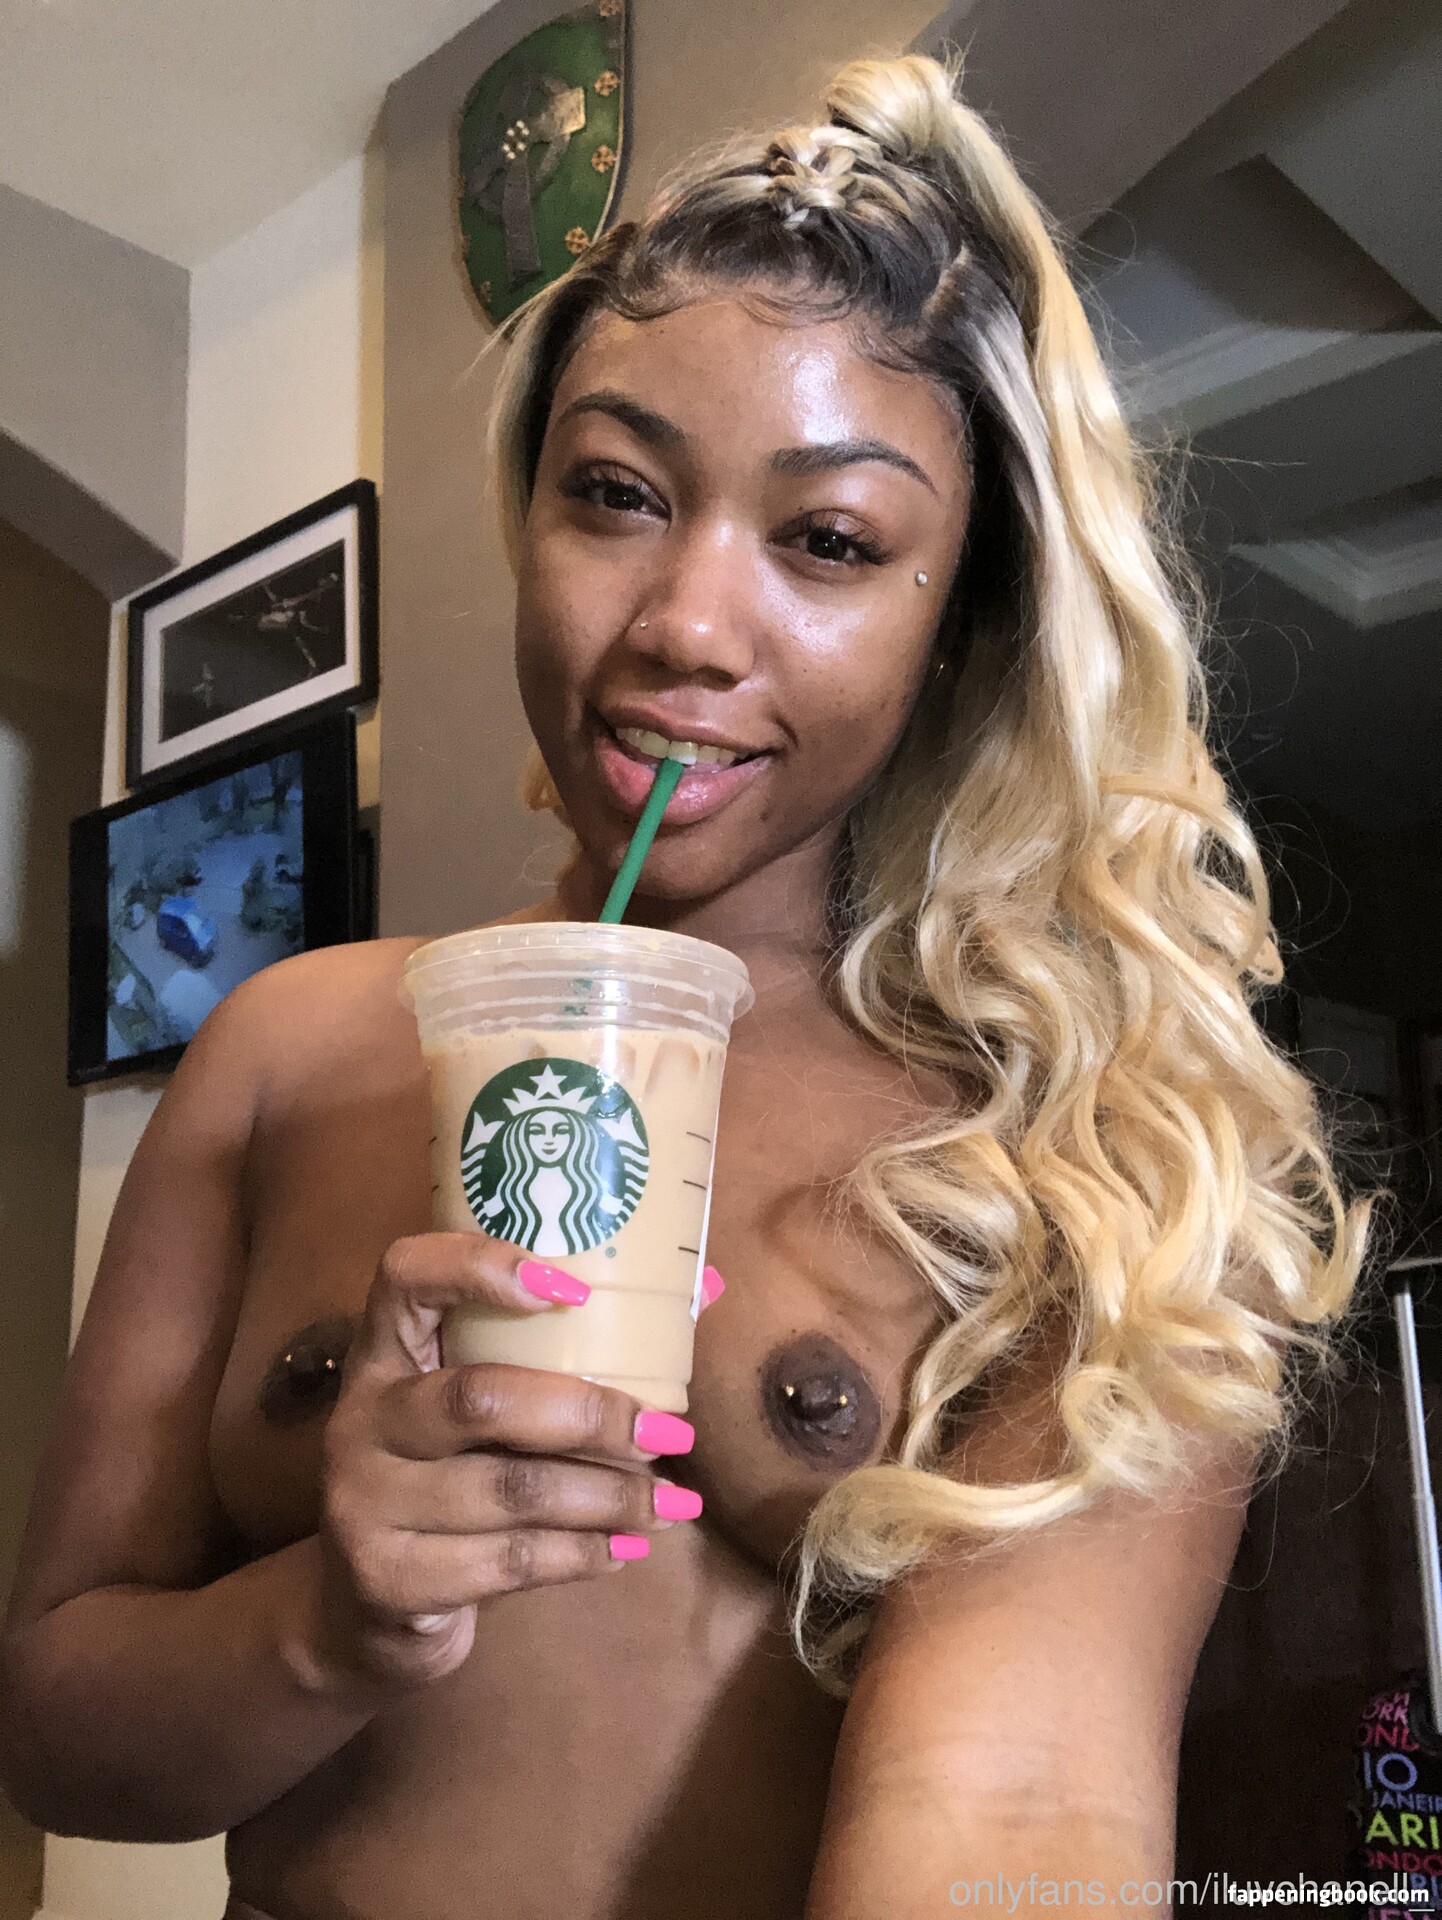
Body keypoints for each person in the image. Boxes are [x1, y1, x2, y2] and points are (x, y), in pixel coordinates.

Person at [0, 51, 1365, 1919]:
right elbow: (58, 1721)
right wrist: (327, 1622)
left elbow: (1021, 1806)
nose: (684, 627)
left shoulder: (1088, 1159)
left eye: (828, 541)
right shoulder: (281, 1055)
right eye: (616, 494)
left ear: (957, 617)